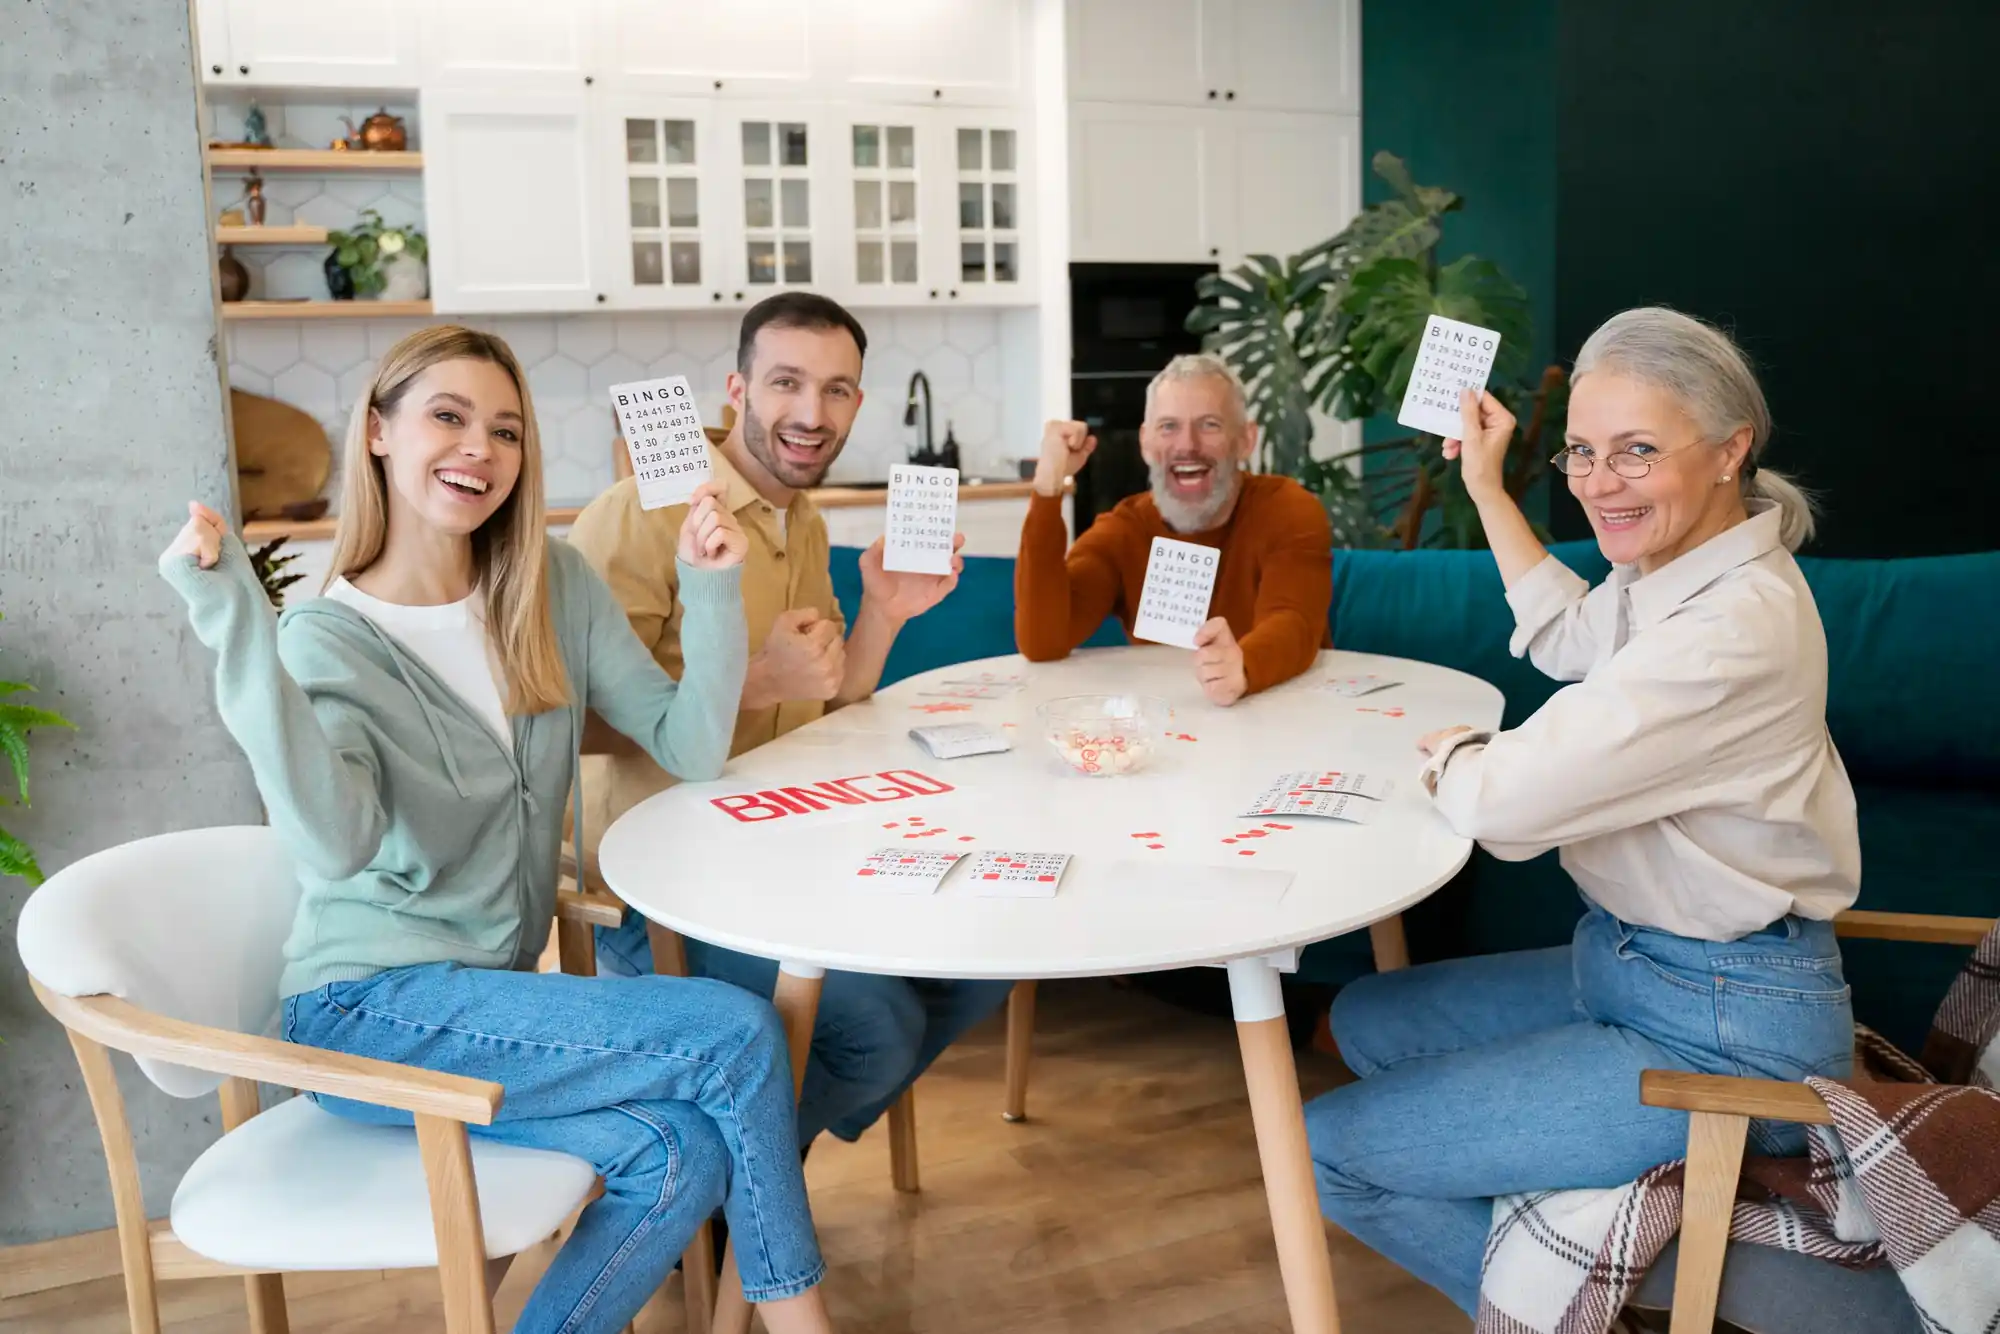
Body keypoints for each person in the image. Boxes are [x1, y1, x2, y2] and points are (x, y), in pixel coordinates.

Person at [158, 326, 837, 1334]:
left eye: (506, 429)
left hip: (489, 1007)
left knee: (677, 1151)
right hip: (366, 1013)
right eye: (448, 416)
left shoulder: (549, 584)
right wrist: (237, 629)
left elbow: (686, 743)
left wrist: (709, 585)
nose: (480, 446)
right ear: (379, 433)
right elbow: (336, 843)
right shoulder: (327, 638)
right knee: (732, 1029)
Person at [1302, 308, 1860, 1315]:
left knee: (1329, 1153)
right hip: (1631, 963)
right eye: (1581, 453)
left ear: (1732, 446)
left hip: (1721, 1024)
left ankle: (1562, 1302)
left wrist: (1455, 757)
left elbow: (1504, 805)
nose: (1599, 482)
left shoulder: (1727, 629)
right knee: (1361, 1015)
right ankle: (1576, 1231)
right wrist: (1482, 480)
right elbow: (1568, 631)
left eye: (1636, 451)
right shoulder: (1677, 574)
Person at [568, 292, 1016, 1150]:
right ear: (737, 389)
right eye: (787, 383)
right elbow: (568, 721)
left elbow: (824, 712)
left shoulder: (802, 521)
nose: (812, 414)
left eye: (838, 390)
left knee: (987, 956)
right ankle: (710, 1180)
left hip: (784, 848)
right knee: (875, 1019)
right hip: (650, 882)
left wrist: (884, 613)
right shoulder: (638, 514)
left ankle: (742, 1164)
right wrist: (751, 682)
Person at [1015, 353, 1333, 704]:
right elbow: (1042, 642)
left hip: (1289, 715)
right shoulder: (1124, 531)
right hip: (1165, 729)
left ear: (1245, 439)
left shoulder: (1287, 509)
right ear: (1145, 442)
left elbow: (1294, 620)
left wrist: (1243, 666)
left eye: (1209, 424)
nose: (1187, 446)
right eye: (1169, 427)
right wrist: (1047, 488)